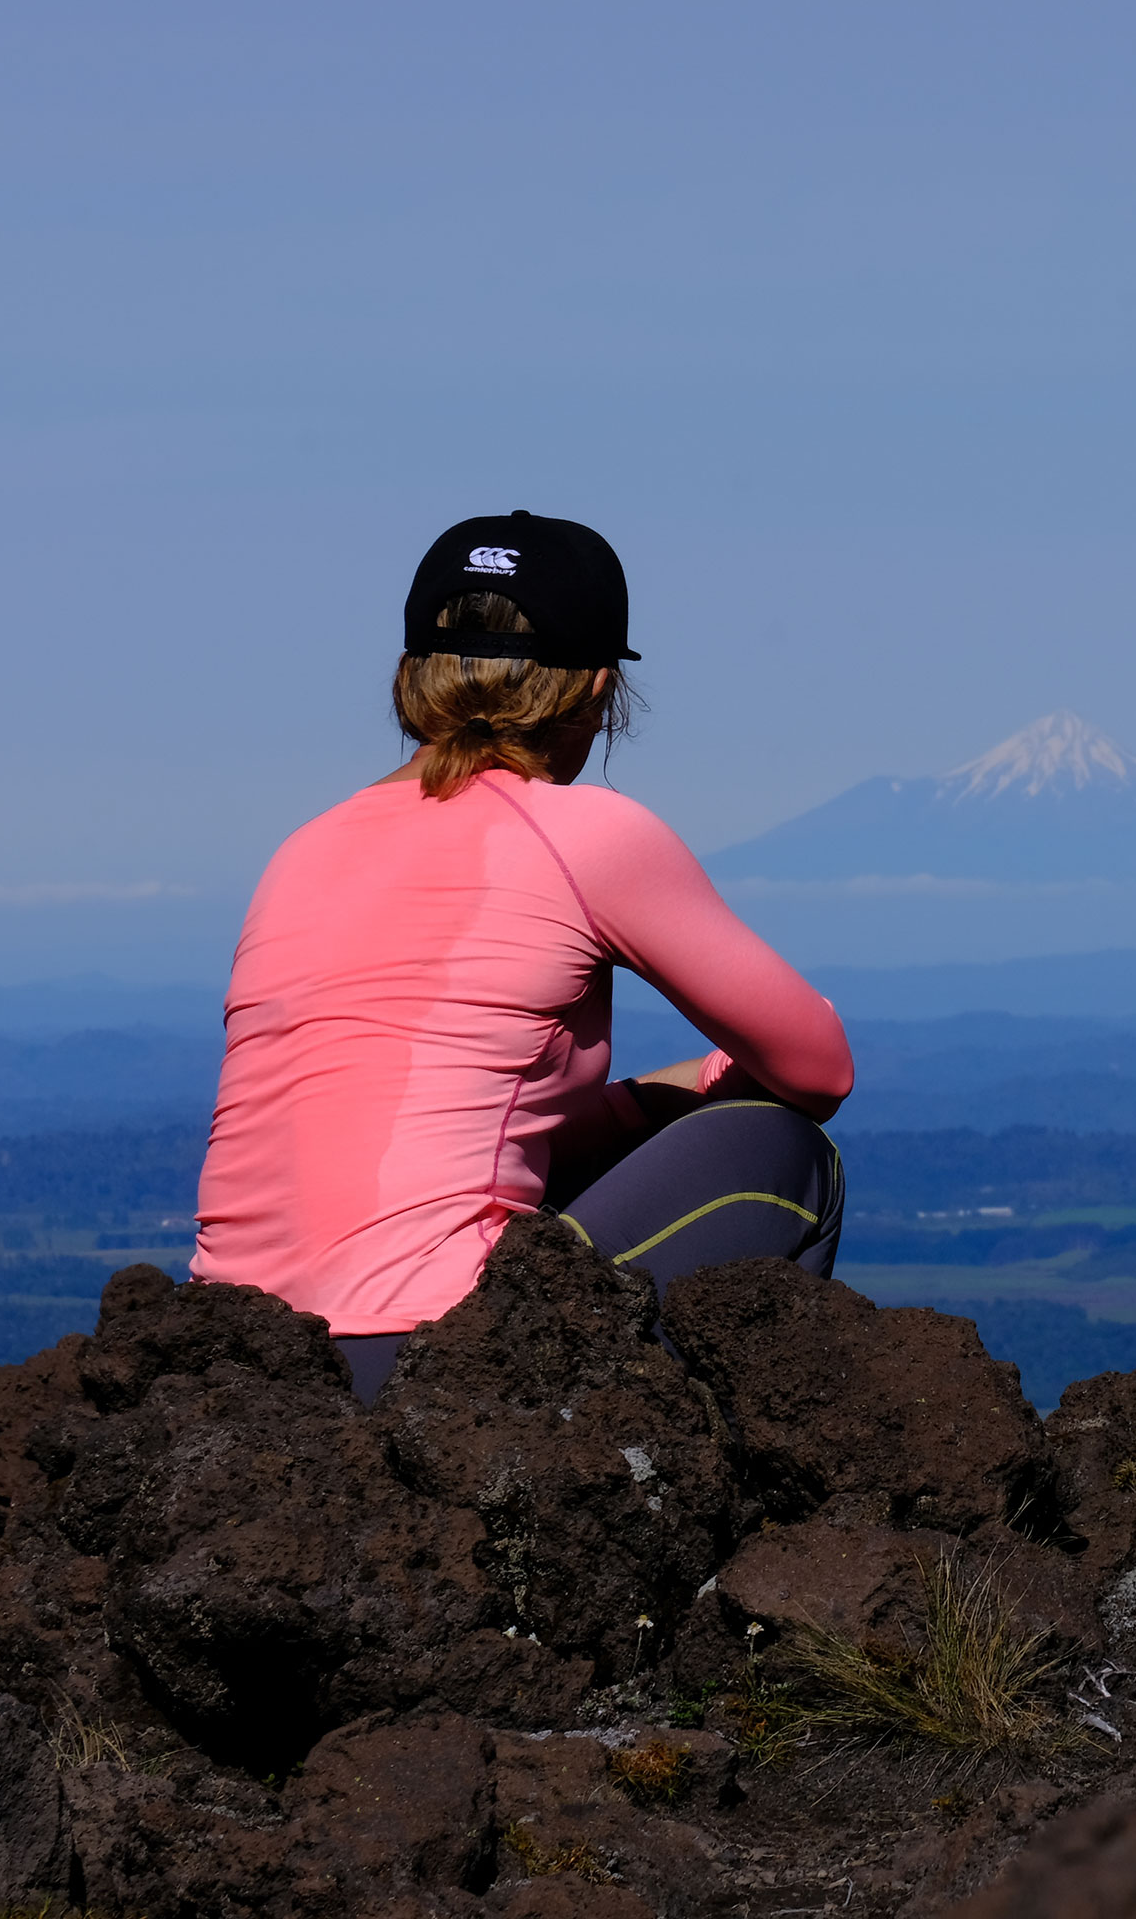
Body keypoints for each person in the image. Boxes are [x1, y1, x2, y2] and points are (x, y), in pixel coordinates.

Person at [190, 511, 856, 1404]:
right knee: (787, 1153)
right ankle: (706, 1489)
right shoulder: (586, 835)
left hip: (241, 1366)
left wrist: (656, 1101)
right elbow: (820, 1069)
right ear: (594, 690)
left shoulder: (302, 850)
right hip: (436, 1357)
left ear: (410, 674)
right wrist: (709, 1095)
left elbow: (446, 1123)